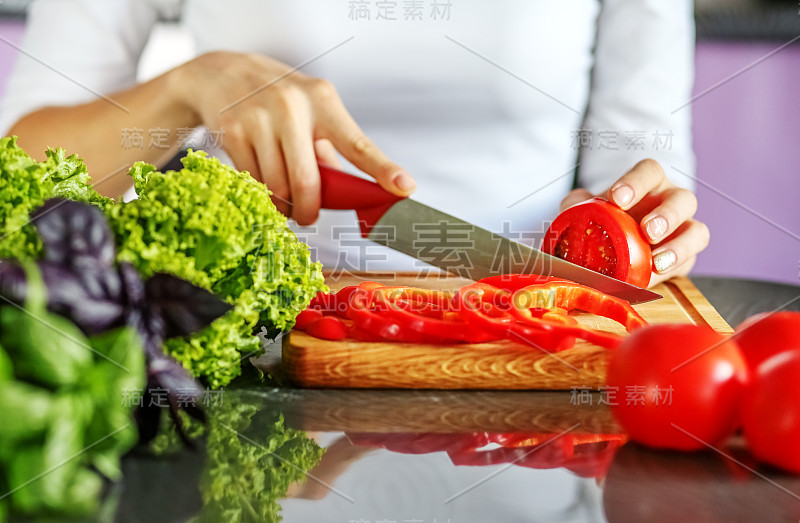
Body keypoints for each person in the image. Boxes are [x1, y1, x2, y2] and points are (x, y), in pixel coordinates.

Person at [0, 0, 708, 287]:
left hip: (531, 339)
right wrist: (185, 88)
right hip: (256, 347)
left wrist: (640, 219)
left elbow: (639, 163)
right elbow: (20, 173)